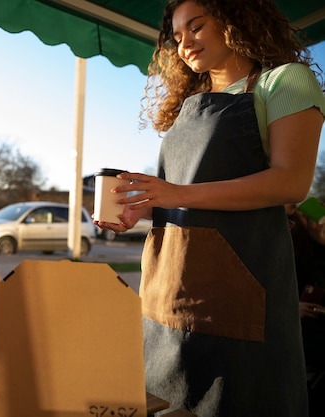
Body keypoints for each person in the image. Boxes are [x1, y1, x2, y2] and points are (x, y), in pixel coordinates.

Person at [94, 1, 325, 416]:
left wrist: (173, 195)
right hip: (168, 295)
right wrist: (141, 208)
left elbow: (291, 181)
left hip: (242, 299)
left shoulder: (284, 81)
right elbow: (186, 197)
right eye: (177, 38)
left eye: (196, 27)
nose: (185, 44)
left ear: (235, 19)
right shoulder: (190, 107)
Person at [287, 201, 325, 417]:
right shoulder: (294, 249)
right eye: (309, 218)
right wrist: (293, 307)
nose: (317, 224)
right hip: (299, 325)